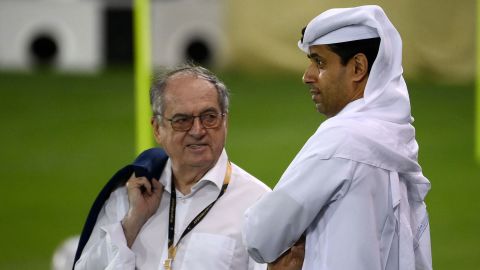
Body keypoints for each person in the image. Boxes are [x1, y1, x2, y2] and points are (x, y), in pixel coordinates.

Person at [243, 5, 432, 270]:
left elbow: (260, 235)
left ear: (357, 68)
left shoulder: (341, 141)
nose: (307, 76)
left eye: (319, 62)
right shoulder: (396, 136)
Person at [73, 65, 274, 270]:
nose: (197, 130)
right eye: (182, 120)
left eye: (209, 117)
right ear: (157, 129)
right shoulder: (128, 197)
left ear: (225, 122)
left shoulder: (259, 205)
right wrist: (131, 224)